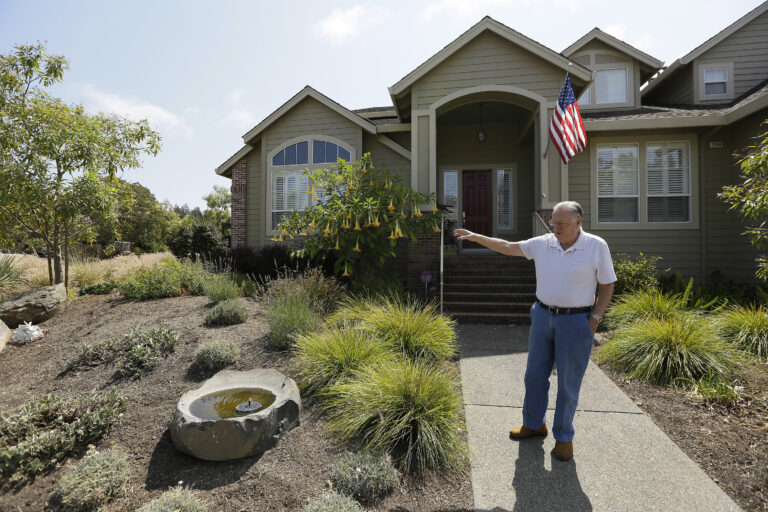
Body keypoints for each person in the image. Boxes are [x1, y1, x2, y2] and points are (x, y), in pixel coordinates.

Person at [453, 201, 616, 462]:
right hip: (542, 316)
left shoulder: (596, 246)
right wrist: (475, 237)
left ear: (578, 223)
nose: (556, 228)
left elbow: (607, 285)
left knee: (568, 384)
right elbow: (507, 247)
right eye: (553, 222)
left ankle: (564, 438)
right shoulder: (544, 243)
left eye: (562, 223)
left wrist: (595, 318)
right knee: (534, 376)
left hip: (576, 322)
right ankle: (533, 424)